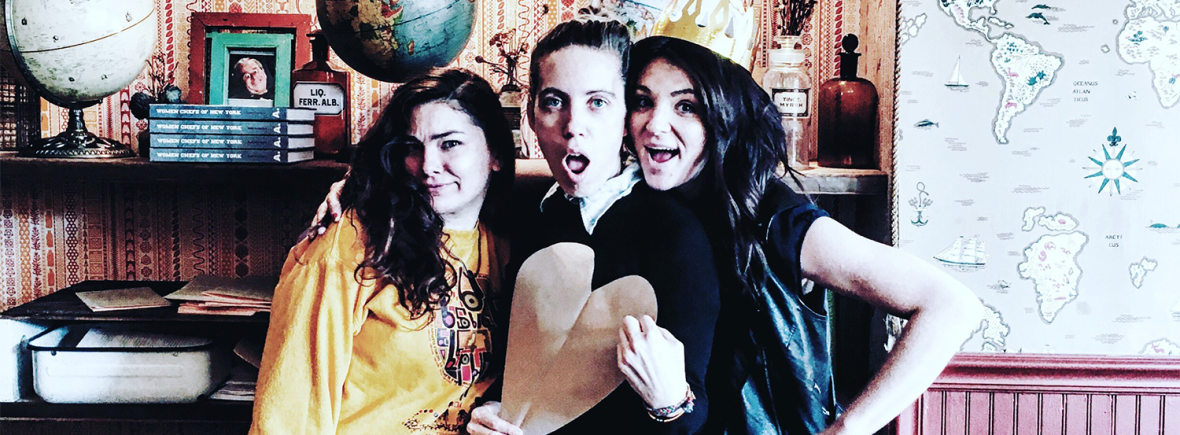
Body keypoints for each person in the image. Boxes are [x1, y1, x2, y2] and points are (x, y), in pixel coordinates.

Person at [617, 36, 983, 434]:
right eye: (642, 102)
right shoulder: (632, 212)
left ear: (721, 118)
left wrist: (849, 428)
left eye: (686, 106)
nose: (654, 124)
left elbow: (951, 305)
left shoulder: (774, 219)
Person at [250, 68, 515, 435]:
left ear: (495, 153)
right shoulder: (351, 241)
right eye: (411, 147)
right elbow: (290, 410)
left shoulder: (506, 247)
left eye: (449, 144)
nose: (428, 166)